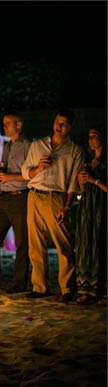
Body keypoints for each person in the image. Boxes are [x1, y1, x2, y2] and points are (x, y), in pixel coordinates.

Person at [21, 109, 84, 302]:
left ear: (70, 127)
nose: (59, 126)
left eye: (64, 123)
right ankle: (39, 286)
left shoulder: (74, 150)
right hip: (34, 195)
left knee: (63, 244)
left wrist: (66, 206)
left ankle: (67, 288)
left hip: (56, 197)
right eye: (57, 121)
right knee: (35, 244)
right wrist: (37, 169)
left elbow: (74, 182)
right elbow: (25, 171)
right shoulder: (38, 145)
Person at [0, 111, 32, 293]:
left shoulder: (28, 146)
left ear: (18, 125)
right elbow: (3, 168)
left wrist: (11, 176)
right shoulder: (7, 146)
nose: (4, 127)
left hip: (20, 196)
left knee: (22, 243)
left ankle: (19, 282)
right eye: (4, 124)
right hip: (3, 197)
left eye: (8, 123)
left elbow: (33, 175)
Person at [74, 125, 107, 305]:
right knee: (86, 246)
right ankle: (86, 289)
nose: (91, 139)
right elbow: (82, 189)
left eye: (94, 135)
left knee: (100, 247)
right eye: (89, 136)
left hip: (102, 208)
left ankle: (102, 291)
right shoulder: (88, 162)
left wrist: (95, 181)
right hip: (88, 208)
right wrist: (81, 183)